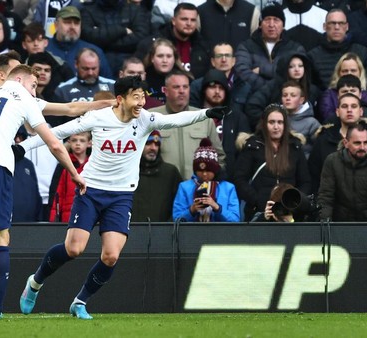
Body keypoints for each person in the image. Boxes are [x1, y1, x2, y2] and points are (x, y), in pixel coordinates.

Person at [16, 75, 229, 319]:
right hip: (90, 190)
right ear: (120, 99)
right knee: (74, 249)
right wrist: (24, 147)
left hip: (121, 195)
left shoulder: (146, 120)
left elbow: (176, 120)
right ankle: (35, 282)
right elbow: (59, 131)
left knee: (111, 255)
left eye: (143, 96)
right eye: (135, 97)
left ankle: (80, 302)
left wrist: (207, 113)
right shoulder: (99, 117)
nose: (141, 102)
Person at [0, 64, 86, 320]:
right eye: (33, 85)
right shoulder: (22, 97)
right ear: (20, 79)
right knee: (0, 239)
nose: (34, 91)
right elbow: (53, 142)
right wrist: (74, 174)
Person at [234, 104, 311, 221]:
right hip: (259, 211)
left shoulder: (295, 147)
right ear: (264, 124)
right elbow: (240, 179)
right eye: (272, 122)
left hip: (290, 212)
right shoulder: (252, 146)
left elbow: (305, 181)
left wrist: (294, 202)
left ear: (285, 125)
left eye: (280, 122)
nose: (276, 127)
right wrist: (258, 201)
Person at [150, 70, 226, 180]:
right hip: (162, 187)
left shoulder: (204, 118)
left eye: (185, 87)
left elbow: (219, 156)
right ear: (166, 91)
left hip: (196, 189)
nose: (182, 91)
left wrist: (211, 182)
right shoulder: (152, 118)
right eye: (176, 87)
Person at [234, 3, 305, 92]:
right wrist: (268, 89)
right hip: (254, 97)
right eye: (267, 20)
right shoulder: (246, 47)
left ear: (283, 26)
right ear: (260, 24)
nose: (271, 24)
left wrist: (262, 70)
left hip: (286, 99)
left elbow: (296, 73)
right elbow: (242, 72)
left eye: (276, 20)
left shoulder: (295, 49)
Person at [309, 93, 367, 194]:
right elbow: (313, 178)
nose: (349, 110)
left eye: (354, 106)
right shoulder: (323, 141)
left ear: (361, 111)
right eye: (344, 106)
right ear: (337, 112)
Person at [135, 3, 211, 79]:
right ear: (173, 21)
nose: (189, 23)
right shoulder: (152, 44)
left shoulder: (203, 46)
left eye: (193, 20)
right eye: (184, 19)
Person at [318, 121, 367, 221]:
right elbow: (326, 197)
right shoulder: (332, 161)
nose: (362, 147)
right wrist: (326, 227)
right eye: (357, 143)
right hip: (339, 224)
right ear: (346, 143)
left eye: (366, 143)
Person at [245, 53, 320, 128]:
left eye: (300, 66)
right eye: (291, 67)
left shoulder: (312, 90)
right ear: (284, 69)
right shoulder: (273, 86)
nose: (297, 69)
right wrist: (270, 123)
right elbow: (252, 107)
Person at [200, 69, 251, 179]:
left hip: (229, 180)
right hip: (199, 175)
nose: (217, 91)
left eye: (221, 88)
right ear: (204, 90)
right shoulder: (194, 116)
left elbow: (245, 155)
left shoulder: (238, 117)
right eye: (213, 87)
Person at [172, 138, 240, 222]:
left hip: (221, 234)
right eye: (200, 171)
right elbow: (176, 219)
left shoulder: (228, 188)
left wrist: (217, 207)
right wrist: (191, 210)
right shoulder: (184, 187)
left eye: (208, 171)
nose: (204, 174)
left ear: (215, 170)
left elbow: (235, 220)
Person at [308, 9, 367, 91]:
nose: (337, 27)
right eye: (332, 23)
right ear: (324, 26)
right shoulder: (313, 56)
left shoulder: (363, 52)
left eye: (341, 23)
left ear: (347, 27)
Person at [80, 0, 149, 76]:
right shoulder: (88, 10)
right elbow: (88, 36)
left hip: (131, 64)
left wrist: (103, 41)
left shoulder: (135, 10)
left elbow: (140, 37)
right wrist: (123, 30)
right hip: (98, 65)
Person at [44, 6, 113, 80]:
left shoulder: (94, 52)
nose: (72, 27)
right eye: (67, 22)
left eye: (76, 23)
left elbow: (107, 84)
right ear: (56, 25)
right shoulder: (44, 49)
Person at [131, 130, 182, 222]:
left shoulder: (170, 173)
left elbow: (179, 207)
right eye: (148, 143)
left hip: (162, 233)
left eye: (157, 144)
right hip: (131, 232)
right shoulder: (128, 171)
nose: (153, 148)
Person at [190, 43, 252, 117]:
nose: (224, 60)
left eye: (227, 55)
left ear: (233, 61)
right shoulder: (198, 86)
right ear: (212, 61)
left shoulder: (244, 87)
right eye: (219, 56)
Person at [317, 53, 367, 122]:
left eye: (353, 70)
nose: (349, 73)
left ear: (360, 72)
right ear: (338, 73)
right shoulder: (329, 95)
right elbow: (328, 117)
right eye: (345, 71)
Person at [48, 131, 91, 222]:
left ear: (89, 143)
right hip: (67, 217)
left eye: (82, 140)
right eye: (74, 140)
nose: (78, 143)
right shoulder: (63, 165)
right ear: (69, 142)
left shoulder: (93, 165)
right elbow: (57, 194)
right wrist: (53, 219)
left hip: (90, 213)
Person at [280, 81, 321, 158]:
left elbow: (319, 147)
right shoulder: (276, 119)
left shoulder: (311, 123)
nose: (288, 98)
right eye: (285, 95)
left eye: (293, 95)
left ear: (301, 100)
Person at [143, 38, 182, 106]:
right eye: (160, 56)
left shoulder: (184, 79)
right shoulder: (143, 78)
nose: (165, 60)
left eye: (169, 56)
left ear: (174, 59)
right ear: (152, 58)